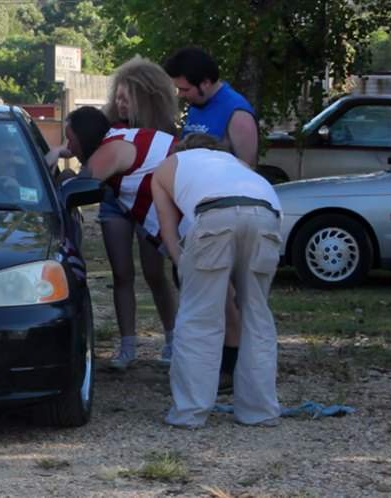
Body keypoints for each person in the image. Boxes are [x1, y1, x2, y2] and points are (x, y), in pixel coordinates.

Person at [150, 132, 282, 428]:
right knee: (257, 315)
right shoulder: (236, 164)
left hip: (213, 216)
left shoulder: (168, 165)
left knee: (199, 317)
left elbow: (168, 228)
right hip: (267, 216)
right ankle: (259, 411)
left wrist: (183, 265)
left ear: (182, 149)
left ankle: (190, 412)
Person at [72, 56, 180, 369]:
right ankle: (127, 345)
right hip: (114, 202)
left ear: (146, 98)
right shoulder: (109, 129)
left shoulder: (165, 133)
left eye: (126, 98)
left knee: (154, 272)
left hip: (149, 204)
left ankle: (173, 339)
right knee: (121, 273)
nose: (119, 104)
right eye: (116, 97)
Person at [164, 47, 261, 389]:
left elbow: (247, 171)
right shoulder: (198, 106)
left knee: (226, 295)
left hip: (224, 218)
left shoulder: (237, 114)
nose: (181, 95)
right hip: (195, 218)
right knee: (200, 292)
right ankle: (212, 360)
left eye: (186, 89)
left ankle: (231, 368)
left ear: (206, 82)